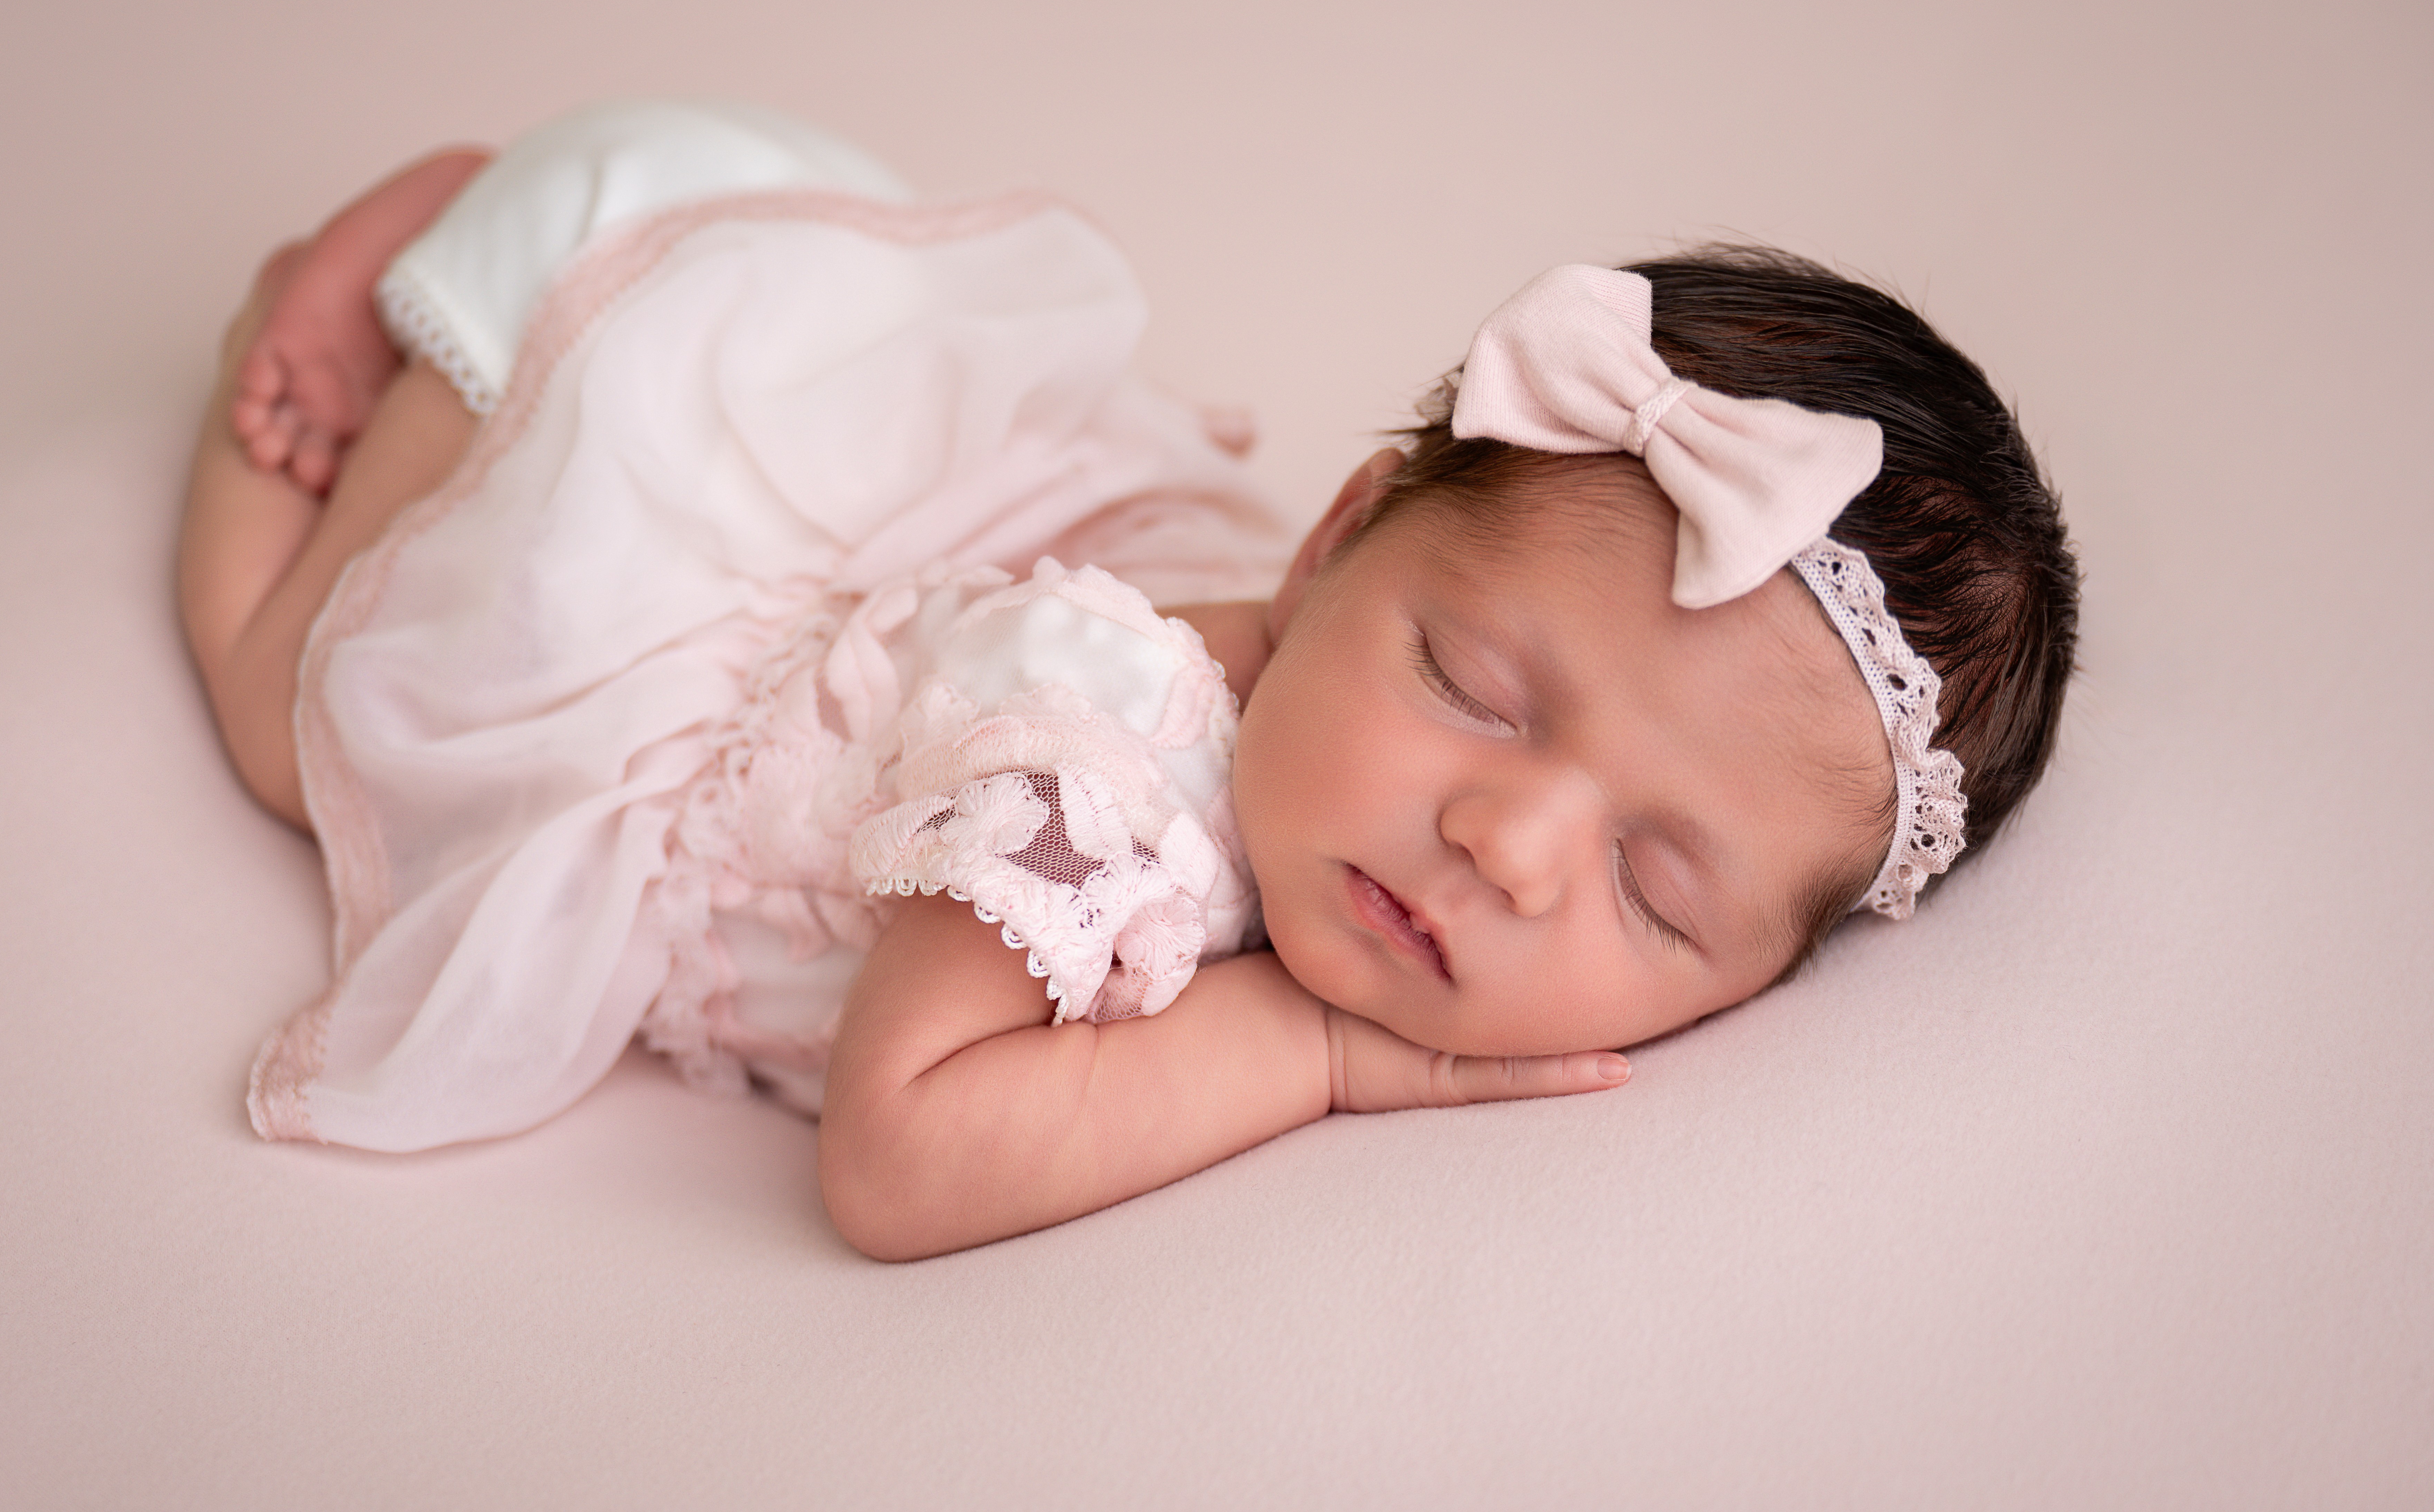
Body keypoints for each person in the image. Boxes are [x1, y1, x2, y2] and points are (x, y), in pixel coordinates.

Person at [179, 101, 2078, 1261]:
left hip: (896, 532)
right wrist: (1313, 1052)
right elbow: (902, 1146)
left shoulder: (1333, 715)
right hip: (628, 577)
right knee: (299, 713)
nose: (1508, 843)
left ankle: (513, 246)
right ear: (1333, 540)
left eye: (1657, 894)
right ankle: (365, 298)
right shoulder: (1097, 771)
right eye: (1480, 688)